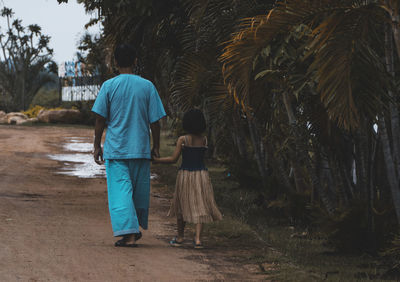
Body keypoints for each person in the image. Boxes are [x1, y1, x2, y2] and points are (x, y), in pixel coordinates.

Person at [92, 43, 166, 247]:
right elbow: (155, 122)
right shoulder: (147, 86)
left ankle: (130, 234)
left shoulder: (109, 86)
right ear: (135, 61)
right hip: (140, 148)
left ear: (115, 62)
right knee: (138, 192)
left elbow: (100, 119)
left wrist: (97, 145)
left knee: (120, 191)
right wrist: (156, 146)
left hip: (116, 149)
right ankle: (133, 228)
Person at [153, 109, 222, 249]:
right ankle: (197, 240)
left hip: (185, 175)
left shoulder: (183, 139)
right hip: (202, 175)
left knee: (181, 205)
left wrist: (157, 160)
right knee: (201, 205)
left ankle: (180, 237)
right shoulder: (204, 140)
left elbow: (173, 159)